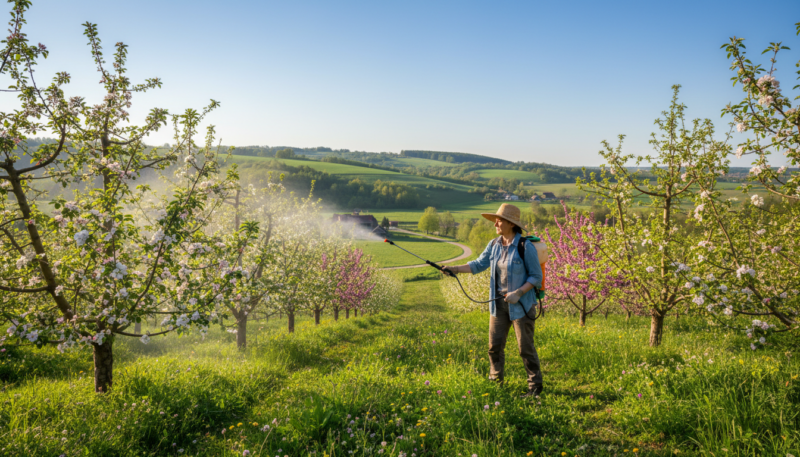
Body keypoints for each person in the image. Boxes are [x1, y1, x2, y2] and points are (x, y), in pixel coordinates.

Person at [443, 203, 544, 398]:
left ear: (511, 224)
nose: (495, 223)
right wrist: (453, 269)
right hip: (498, 305)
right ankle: (495, 383)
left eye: (500, 220)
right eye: (495, 220)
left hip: (521, 305)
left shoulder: (525, 246)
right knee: (494, 347)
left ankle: (535, 388)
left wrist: (519, 293)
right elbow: (478, 264)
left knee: (525, 348)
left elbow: (536, 277)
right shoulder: (494, 244)